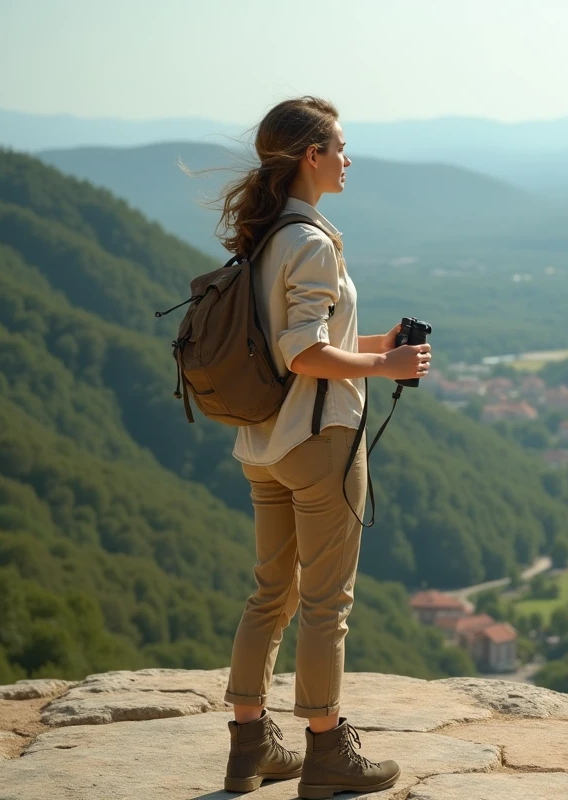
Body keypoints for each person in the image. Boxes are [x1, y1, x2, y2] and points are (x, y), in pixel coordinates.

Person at [213, 96, 430, 798]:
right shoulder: (309, 242)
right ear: (311, 156)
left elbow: (293, 347)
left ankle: (250, 749)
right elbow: (303, 351)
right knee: (326, 602)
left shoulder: (265, 235)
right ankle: (326, 748)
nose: (347, 158)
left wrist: (374, 345)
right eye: (339, 146)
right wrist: (385, 369)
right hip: (320, 440)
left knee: (270, 591)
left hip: (266, 443)